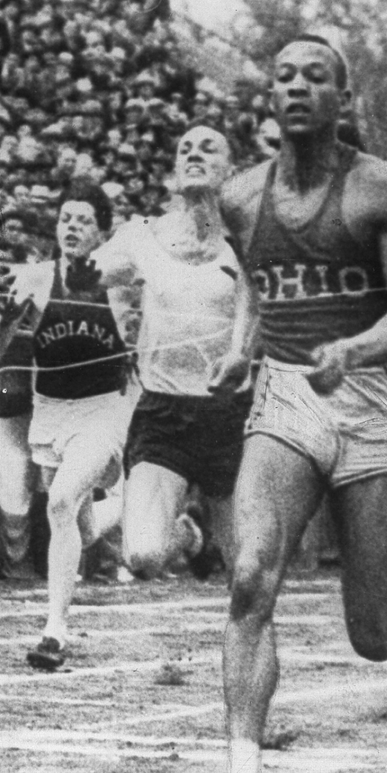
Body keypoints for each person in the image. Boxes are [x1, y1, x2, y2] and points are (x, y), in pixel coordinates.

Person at [203, 35, 387, 773]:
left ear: (343, 96)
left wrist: (357, 348)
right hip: (288, 397)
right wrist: (241, 352)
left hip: (366, 399)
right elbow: (257, 288)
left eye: (316, 76)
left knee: (374, 637)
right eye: (285, 75)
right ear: (270, 95)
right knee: (250, 576)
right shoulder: (237, 196)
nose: (297, 86)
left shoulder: (381, 188)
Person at [91, 125, 247, 580]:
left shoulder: (251, 237)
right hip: (164, 415)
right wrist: (36, 274)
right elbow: (83, 273)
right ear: (174, 173)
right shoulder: (143, 235)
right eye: (185, 149)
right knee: (142, 558)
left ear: (232, 170)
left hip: (233, 415)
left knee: (249, 572)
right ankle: (191, 535)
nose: (194, 154)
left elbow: (269, 305)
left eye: (208, 147)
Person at [13, 187, 135, 671]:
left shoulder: (121, 280)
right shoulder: (38, 278)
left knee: (60, 502)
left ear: (101, 231)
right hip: (50, 413)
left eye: (85, 220)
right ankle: (121, 509)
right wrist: (3, 321)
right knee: (78, 525)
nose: (72, 227)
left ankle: (54, 632)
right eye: (66, 218)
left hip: (103, 410)